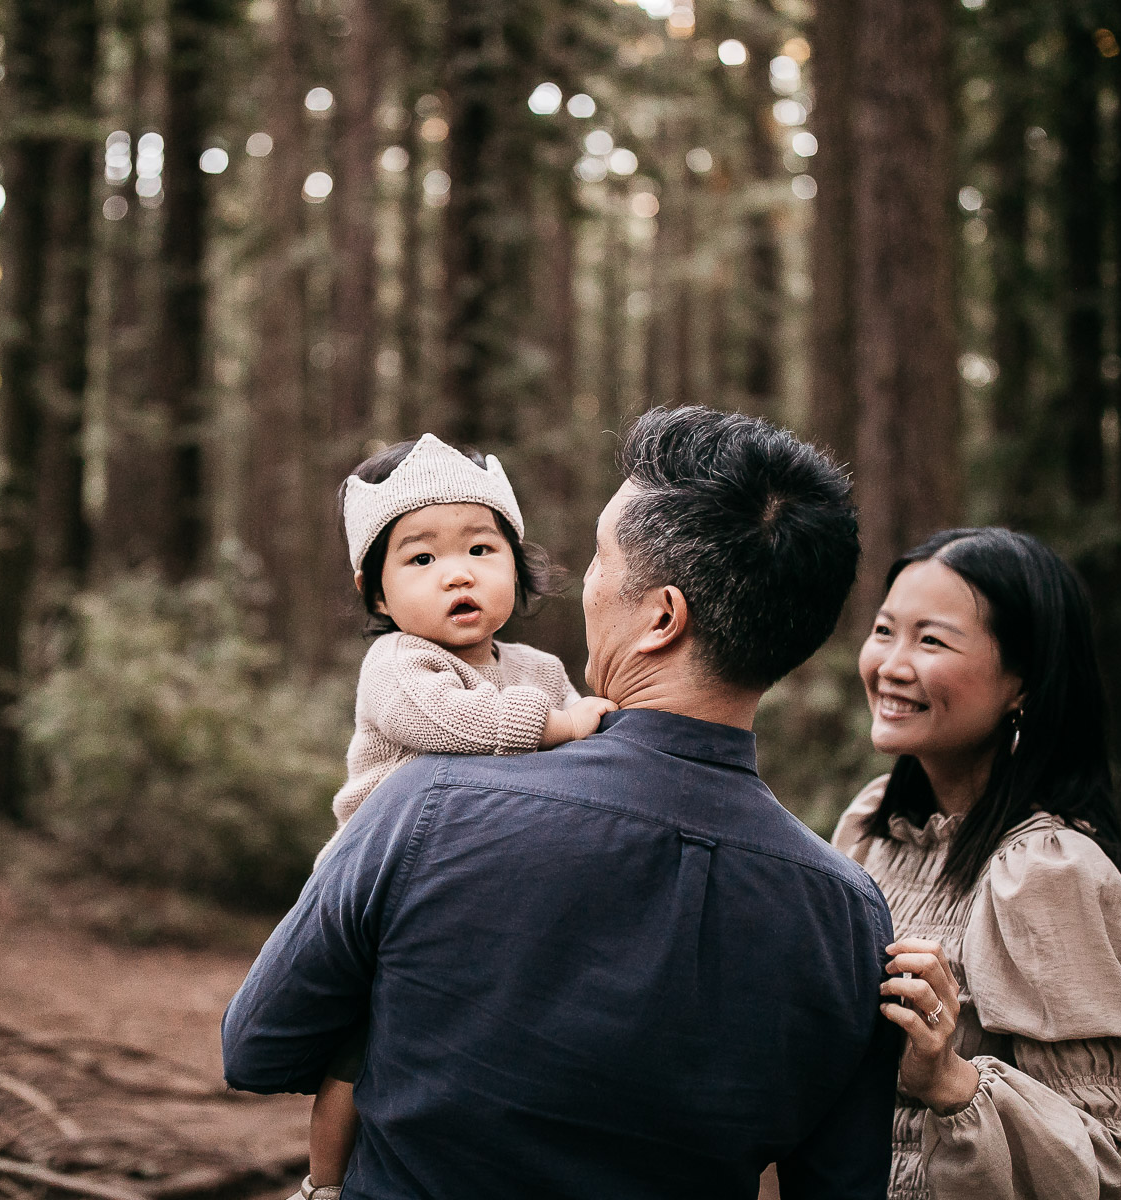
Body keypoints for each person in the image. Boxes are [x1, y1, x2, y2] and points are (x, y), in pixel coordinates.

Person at [223, 406, 899, 1200]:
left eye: (597, 563)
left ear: (661, 618)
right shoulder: (851, 917)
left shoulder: (427, 805)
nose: (582, 587)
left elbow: (256, 1047)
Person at [304, 433, 618, 1197]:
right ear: (375, 592)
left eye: (482, 549)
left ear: (517, 563)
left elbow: (590, 754)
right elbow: (447, 723)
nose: (458, 574)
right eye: (421, 559)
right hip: (380, 884)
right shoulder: (400, 665)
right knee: (358, 1044)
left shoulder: (540, 671)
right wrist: (557, 728)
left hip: (482, 886)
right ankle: (322, 1183)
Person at [832, 528, 1121, 1200]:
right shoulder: (873, 826)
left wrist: (949, 1080)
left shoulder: (1044, 873)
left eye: (931, 640)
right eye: (884, 630)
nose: (892, 664)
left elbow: (1102, 1166)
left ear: (1022, 683)